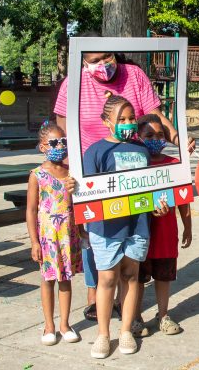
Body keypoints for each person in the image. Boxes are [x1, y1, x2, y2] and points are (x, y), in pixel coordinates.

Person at [54, 48, 194, 323]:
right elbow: (63, 122)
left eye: (107, 58)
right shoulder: (73, 83)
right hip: (92, 172)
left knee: (132, 236)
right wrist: (72, 164)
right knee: (99, 238)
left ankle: (126, 308)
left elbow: (155, 116)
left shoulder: (134, 76)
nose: (103, 65)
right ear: (84, 62)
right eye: (94, 61)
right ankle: (97, 301)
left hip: (132, 169)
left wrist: (177, 138)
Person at [82, 94, 170, 359]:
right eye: (121, 119)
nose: (128, 123)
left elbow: (153, 187)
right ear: (107, 121)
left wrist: (159, 205)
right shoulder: (96, 151)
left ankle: (126, 331)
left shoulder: (142, 150)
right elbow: (87, 190)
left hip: (138, 225)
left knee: (131, 276)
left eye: (131, 118)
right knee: (107, 278)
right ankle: (103, 334)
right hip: (105, 228)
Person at [132, 114, 192, 337]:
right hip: (139, 233)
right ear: (138, 137)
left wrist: (188, 226)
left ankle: (163, 314)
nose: (155, 139)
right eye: (149, 135)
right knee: (137, 278)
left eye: (160, 135)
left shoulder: (174, 165)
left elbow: (183, 199)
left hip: (166, 233)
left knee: (164, 276)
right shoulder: (133, 164)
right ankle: (135, 317)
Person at [26, 121, 83, 346]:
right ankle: (49, 325)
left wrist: (76, 188)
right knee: (48, 279)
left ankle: (65, 324)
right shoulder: (37, 175)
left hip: (68, 236)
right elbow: (31, 210)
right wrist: (34, 241)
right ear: (43, 147)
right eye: (54, 142)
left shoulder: (72, 173)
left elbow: (79, 204)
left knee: (66, 279)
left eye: (63, 142)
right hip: (47, 238)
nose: (60, 146)